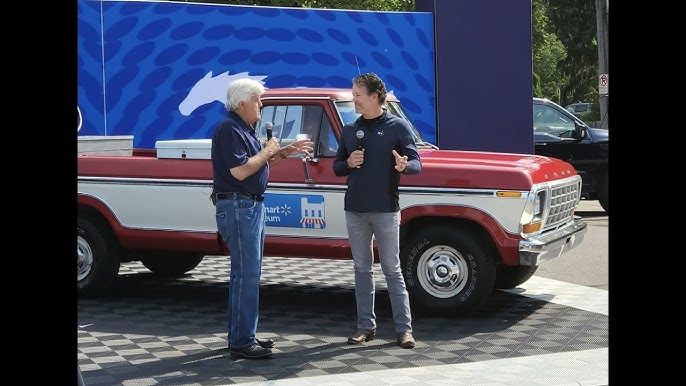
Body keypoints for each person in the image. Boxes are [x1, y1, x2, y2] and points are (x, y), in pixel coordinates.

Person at [211, 78, 313, 359]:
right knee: (247, 274)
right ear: (242, 102)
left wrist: (283, 152)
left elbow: (257, 163)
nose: (261, 105)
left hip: (247, 207)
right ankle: (243, 341)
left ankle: (243, 335)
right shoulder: (230, 128)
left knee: (244, 275)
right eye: (257, 100)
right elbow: (240, 171)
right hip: (239, 206)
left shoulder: (242, 128)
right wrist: (268, 150)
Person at [332, 73, 421, 349]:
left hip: (385, 209)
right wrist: (348, 162)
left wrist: (405, 166)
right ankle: (365, 327)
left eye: (357, 94)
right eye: (353, 94)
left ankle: (404, 330)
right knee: (361, 269)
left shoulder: (397, 127)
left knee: (392, 269)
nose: (353, 99)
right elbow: (336, 167)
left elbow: (417, 164)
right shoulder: (349, 130)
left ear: (374, 97)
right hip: (355, 209)